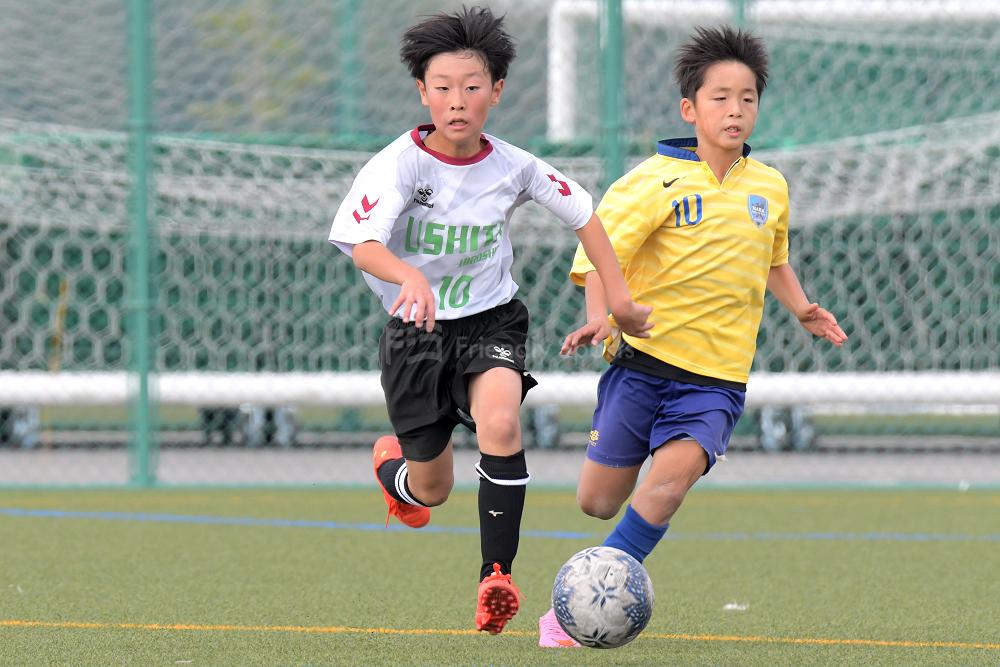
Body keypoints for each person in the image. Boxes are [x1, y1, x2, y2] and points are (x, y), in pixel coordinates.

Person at [327, 6, 651, 635]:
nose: (458, 101)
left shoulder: (515, 165)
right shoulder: (398, 165)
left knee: (501, 422)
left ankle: (495, 578)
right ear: (422, 92)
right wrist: (407, 275)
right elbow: (362, 245)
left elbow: (586, 216)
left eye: (472, 87)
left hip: (491, 321)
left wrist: (618, 300)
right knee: (432, 489)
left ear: (496, 92)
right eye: (443, 87)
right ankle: (394, 473)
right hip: (417, 334)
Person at [538, 25, 848, 647]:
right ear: (690, 108)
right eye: (720, 98)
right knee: (597, 502)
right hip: (641, 364)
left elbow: (773, 258)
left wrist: (801, 307)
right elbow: (596, 256)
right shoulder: (650, 182)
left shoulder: (770, 187)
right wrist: (603, 313)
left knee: (669, 485)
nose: (735, 110)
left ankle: (583, 604)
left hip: (715, 380)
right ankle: (599, 569)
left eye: (747, 98)